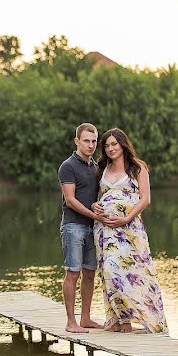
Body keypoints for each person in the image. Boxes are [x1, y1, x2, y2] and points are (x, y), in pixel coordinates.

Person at [92, 128, 168, 333]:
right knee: (109, 270)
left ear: (123, 144)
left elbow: (145, 199)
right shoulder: (102, 169)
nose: (110, 149)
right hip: (105, 230)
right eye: (107, 145)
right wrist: (95, 206)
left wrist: (126, 217)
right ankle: (119, 318)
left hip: (130, 230)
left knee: (132, 271)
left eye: (114, 144)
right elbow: (97, 196)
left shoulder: (137, 168)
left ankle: (135, 318)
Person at [58, 123, 105, 333]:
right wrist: (92, 213)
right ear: (77, 141)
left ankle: (85, 318)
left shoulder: (96, 167)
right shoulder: (68, 166)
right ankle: (71, 322)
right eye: (86, 140)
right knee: (73, 273)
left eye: (94, 141)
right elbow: (70, 200)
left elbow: (94, 198)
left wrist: (97, 208)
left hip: (92, 228)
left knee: (90, 273)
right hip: (73, 227)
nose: (91, 145)